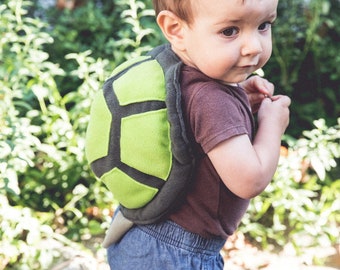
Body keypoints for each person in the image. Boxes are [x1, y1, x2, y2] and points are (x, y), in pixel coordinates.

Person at [107, 0, 290, 269]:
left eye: (263, 25)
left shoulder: (175, 73)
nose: (255, 46)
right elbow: (250, 180)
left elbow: (191, 127)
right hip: (175, 252)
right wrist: (272, 125)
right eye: (230, 31)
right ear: (176, 29)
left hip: (143, 234)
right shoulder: (211, 99)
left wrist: (239, 102)